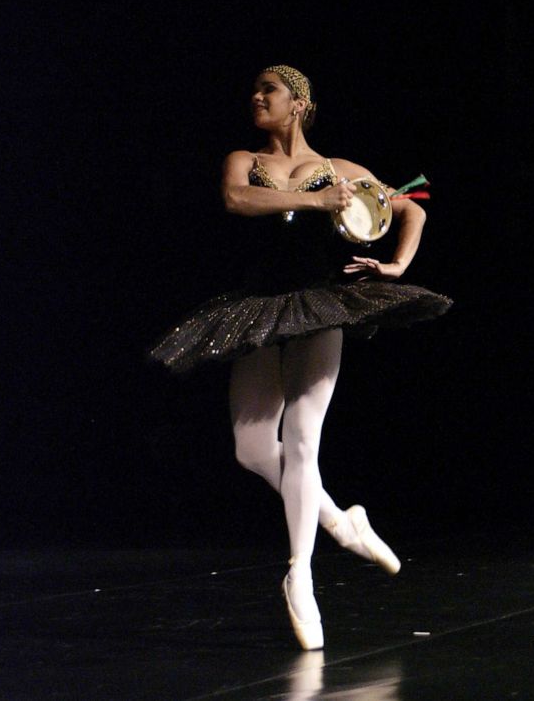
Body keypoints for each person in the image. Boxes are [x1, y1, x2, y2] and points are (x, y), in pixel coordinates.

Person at [151, 65, 451, 651]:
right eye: (255, 90)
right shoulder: (243, 159)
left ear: (299, 102)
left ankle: (301, 573)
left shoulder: (342, 171)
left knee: (305, 436)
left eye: (270, 90)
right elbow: (237, 199)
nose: (256, 97)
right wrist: (318, 204)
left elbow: (412, 206)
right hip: (257, 306)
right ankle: (342, 521)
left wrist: (396, 266)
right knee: (252, 447)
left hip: (321, 303)